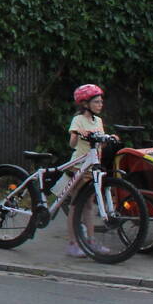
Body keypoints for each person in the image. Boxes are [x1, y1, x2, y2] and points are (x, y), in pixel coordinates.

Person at [63, 84, 107, 258]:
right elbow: (72, 143)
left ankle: (90, 240)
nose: (100, 104)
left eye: (101, 101)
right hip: (79, 167)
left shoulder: (98, 121)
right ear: (85, 104)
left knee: (89, 204)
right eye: (96, 102)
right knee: (75, 204)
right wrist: (77, 134)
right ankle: (72, 243)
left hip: (92, 167)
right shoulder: (78, 120)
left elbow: (100, 143)